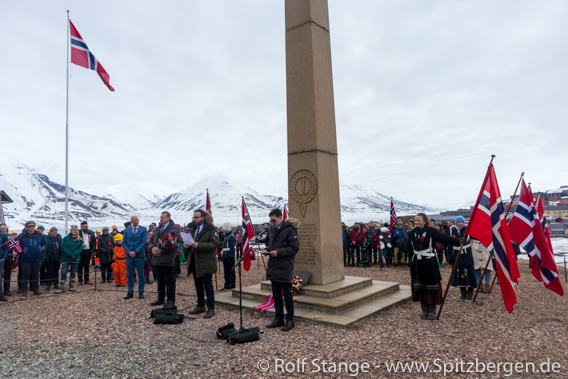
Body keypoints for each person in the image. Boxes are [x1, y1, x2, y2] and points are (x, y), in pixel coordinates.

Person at [408, 213, 460, 320]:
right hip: (417, 263)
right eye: (415, 220)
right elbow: (408, 248)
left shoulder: (432, 232)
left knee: (430, 285)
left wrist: (458, 241)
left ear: (424, 221)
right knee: (420, 285)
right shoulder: (411, 233)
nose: (416, 222)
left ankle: (431, 310)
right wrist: (410, 262)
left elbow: (444, 239)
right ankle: (424, 309)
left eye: (419, 220)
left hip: (429, 262)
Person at [263, 209, 300, 332]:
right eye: (270, 220)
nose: (272, 222)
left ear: (280, 218)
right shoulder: (273, 230)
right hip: (274, 266)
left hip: (284, 266)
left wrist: (278, 252)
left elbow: (294, 248)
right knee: (276, 295)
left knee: (287, 295)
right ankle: (278, 318)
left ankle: (290, 320)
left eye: (274, 220)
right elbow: (272, 245)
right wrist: (267, 250)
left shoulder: (290, 230)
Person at [185, 209, 218, 318]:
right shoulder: (192, 229)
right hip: (195, 261)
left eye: (197, 217)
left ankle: (211, 308)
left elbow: (214, 244)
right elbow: (191, 243)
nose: (195, 219)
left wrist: (199, 245)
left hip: (206, 262)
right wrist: (187, 245)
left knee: (208, 285)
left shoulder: (211, 229)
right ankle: (200, 305)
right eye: (194, 217)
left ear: (203, 217)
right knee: (198, 285)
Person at [148, 211, 180, 307]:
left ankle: (170, 300)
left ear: (168, 218)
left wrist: (163, 250)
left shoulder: (174, 229)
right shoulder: (157, 229)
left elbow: (175, 244)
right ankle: (160, 298)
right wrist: (152, 248)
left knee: (169, 280)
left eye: (163, 217)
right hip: (157, 258)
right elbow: (151, 241)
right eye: (160, 217)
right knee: (160, 279)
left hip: (167, 258)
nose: (161, 219)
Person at [450, 216, 478, 301]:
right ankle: (463, 293)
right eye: (458, 222)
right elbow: (449, 243)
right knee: (459, 273)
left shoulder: (468, 230)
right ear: (456, 223)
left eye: (461, 222)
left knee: (468, 273)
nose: (460, 224)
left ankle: (470, 293)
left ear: (464, 223)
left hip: (467, 254)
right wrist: (449, 257)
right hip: (456, 254)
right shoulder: (452, 230)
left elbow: (477, 236)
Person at [18, 221, 47, 297]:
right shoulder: (22, 236)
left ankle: (35, 290)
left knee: (35, 274)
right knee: (25, 275)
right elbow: (17, 246)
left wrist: (41, 250)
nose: (32, 227)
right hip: (25, 259)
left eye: (33, 226)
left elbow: (45, 243)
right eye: (30, 226)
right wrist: (22, 252)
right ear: (26, 227)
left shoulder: (40, 235)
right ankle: (24, 291)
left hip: (37, 258)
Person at [122, 216, 148, 300]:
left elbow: (143, 242)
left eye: (136, 220)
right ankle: (130, 292)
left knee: (141, 274)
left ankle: (141, 291)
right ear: (131, 221)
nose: (135, 221)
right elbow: (124, 242)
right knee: (130, 274)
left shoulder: (143, 229)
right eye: (134, 220)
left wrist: (136, 252)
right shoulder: (126, 230)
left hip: (139, 255)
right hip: (129, 255)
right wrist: (129, 251)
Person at [58, 225, 83, 292]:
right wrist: (70, 254)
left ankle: (72, 287)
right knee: (63, 272)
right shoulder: (66, 238)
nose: (74, 231)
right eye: (73, 230)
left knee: (73, 272)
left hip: (75, 258)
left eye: (75, 230)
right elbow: (63, 247)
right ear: (71, 231)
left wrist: (75, 254)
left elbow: (81, 248)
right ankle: (62, 287)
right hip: (66, 258)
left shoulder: (79, 239)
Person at [220, 221, 236, 291]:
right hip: (226, 257)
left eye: (223, 228)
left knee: (230, 272)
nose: (223, 230)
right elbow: (224, 245)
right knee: (226, 272)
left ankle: (230, 285)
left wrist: (229, 257)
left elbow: (231, 248)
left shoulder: (231, 237)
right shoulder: (227, 236)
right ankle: (227, 285)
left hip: (229, 258)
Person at [0, 223, 14, 297]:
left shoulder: (10, 236)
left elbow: (13, 245)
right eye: (2, 228)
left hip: (9, 256)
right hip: (1, 256)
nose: (3, 229)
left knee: (7, 274)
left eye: (4, 228)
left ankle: (6, 289)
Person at [0, 227, 8, 302]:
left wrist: (4, 257)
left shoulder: (3, 235)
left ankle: (0, 294)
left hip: (0, 258)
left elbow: (6, 247)